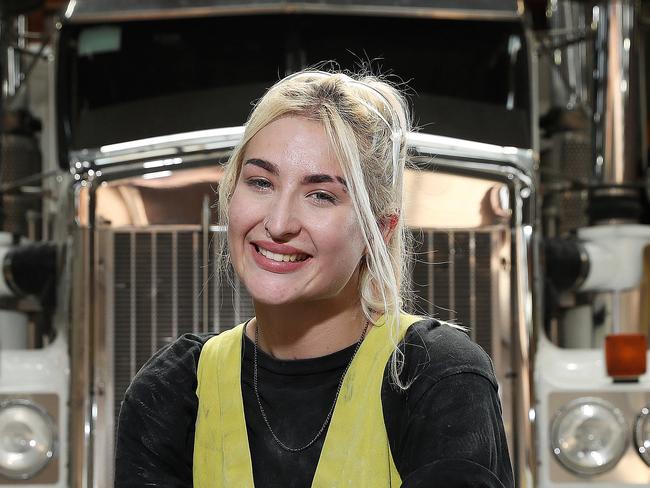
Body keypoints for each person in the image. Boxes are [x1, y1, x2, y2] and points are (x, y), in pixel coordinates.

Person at [115, 69, 514, 487]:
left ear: (379, 229)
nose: (279, 222)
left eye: (321, 194)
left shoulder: (437, 377)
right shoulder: (175, 390)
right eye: (260, 182)